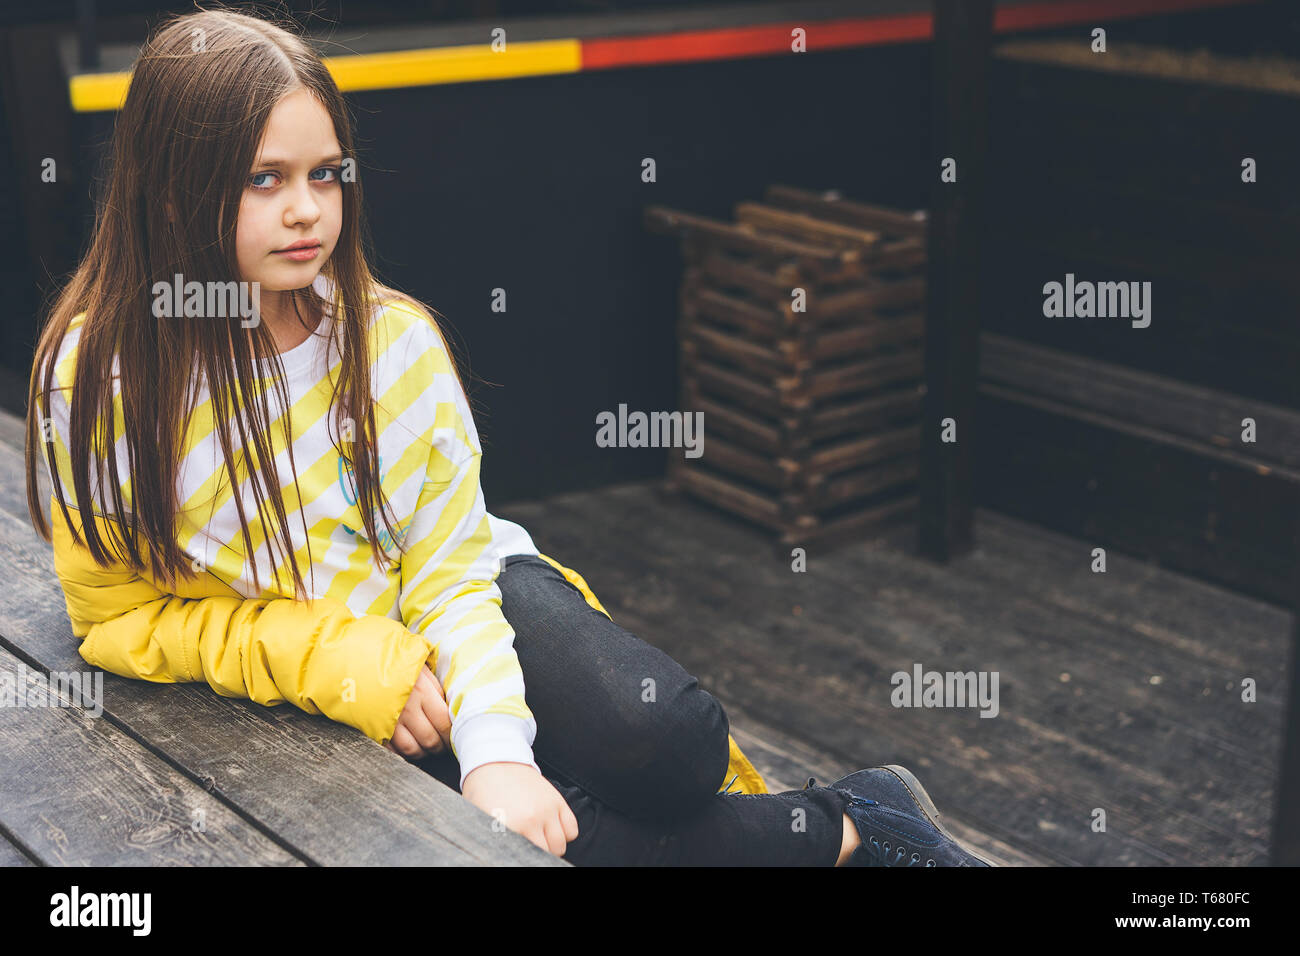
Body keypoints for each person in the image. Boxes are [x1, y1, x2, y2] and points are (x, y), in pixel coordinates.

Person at [25, 6, 992, 867]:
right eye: (264, 180)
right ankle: (858, 826)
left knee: (670, 747)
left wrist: (494, 753)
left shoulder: (387, 344)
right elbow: (116, 620)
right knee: (551, 837)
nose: (308, 210)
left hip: (460, 589)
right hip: (319, 668)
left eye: (326, 173)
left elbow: (448, 573)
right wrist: (343, 661)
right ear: (171, 191)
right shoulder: (97, 379)